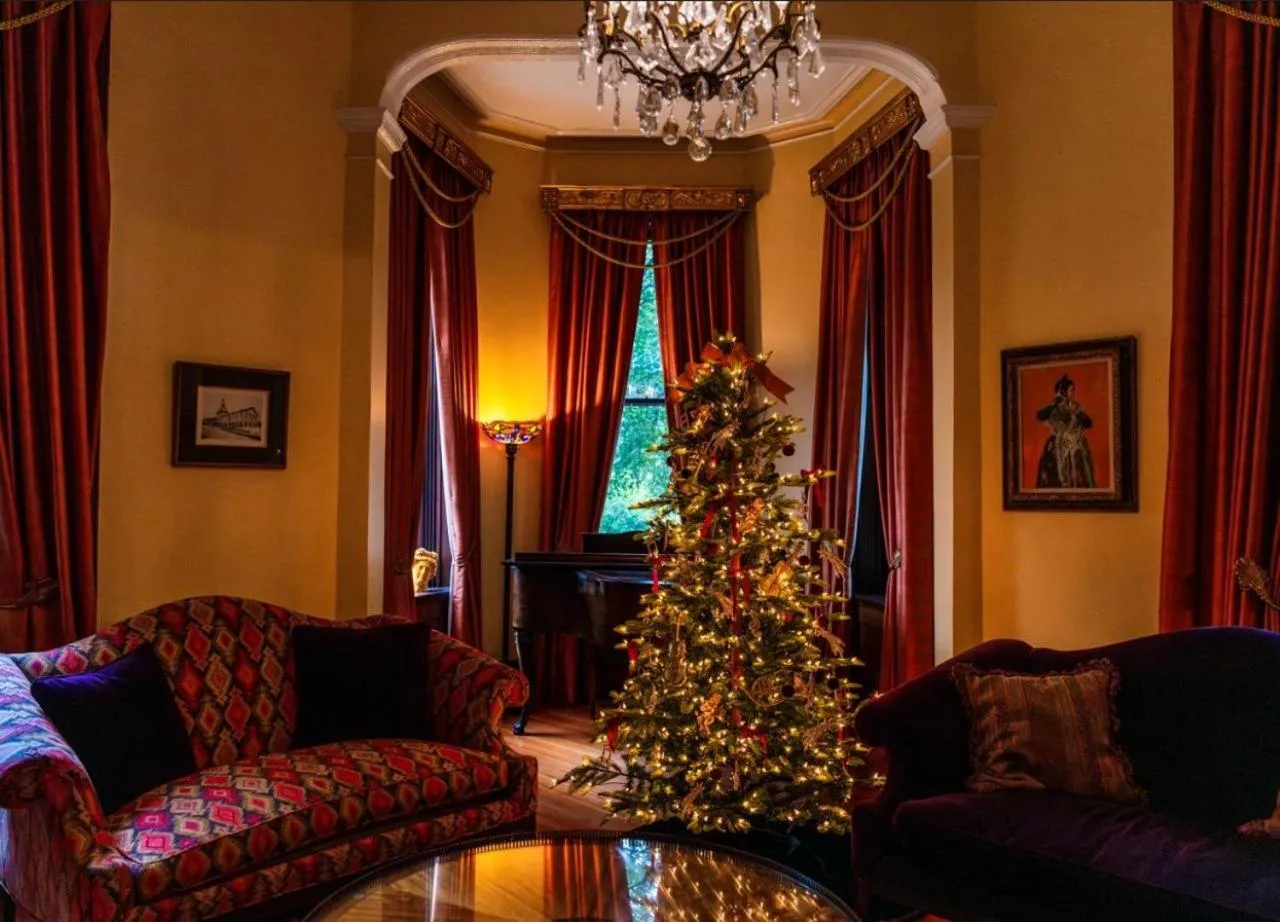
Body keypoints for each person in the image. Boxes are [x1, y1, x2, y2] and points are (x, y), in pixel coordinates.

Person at [1034, 374, 1096, 488]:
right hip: (1057, 447)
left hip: (1075, 448)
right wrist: (1054, 404)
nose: (1074, 393)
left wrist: (1076, 412)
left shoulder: (1076, 408)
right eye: (1071, 391)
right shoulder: (1054, 409)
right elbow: (1040, 416)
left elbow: (1088, 423)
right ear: (1064, 393)